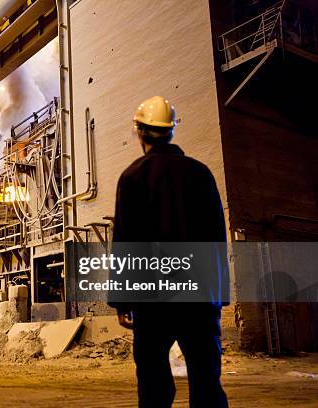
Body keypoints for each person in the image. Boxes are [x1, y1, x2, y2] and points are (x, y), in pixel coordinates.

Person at [111, 96, 229, 407]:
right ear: (172, 131)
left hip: (154, 301)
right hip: (200, 298)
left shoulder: (133, 177)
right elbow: (217, 236)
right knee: (207, 382)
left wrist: (122, 299)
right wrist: (220, 294)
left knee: (154, 385)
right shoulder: (201, 174)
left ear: (140, 132)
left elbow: (126, 243)